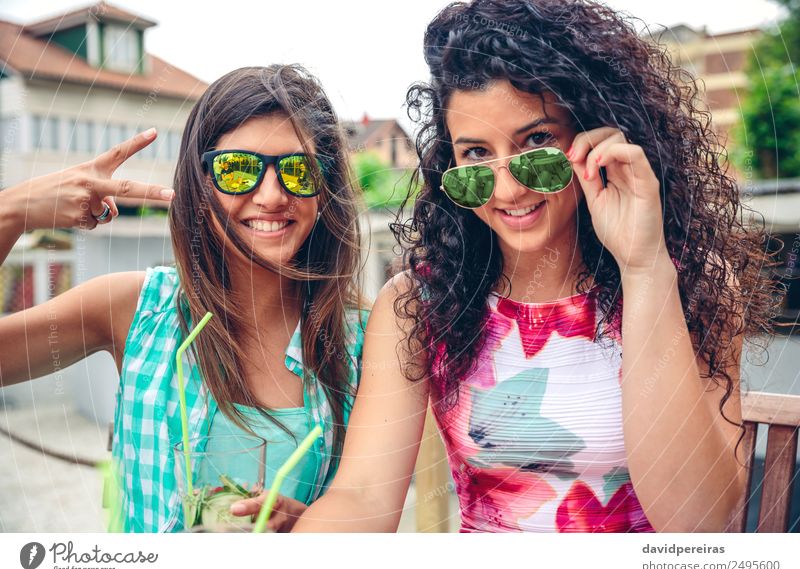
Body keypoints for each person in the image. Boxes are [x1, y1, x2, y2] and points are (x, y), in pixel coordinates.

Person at [236, 0, 782, 532]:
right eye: (475, 154)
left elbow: (703, 527)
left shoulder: (685, 280)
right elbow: (364, 494)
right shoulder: (420, 305)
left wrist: (642, 269)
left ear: (597, 136)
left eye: (537, 141)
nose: (508, 187)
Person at [0, 64, 369, 533]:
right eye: (238, 170)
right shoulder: (135, 307)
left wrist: (314, 528)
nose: (273, 196)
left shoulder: (363, 339)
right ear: (198, 185)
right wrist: (11, 211)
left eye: (299, 170)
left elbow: (368, 502)